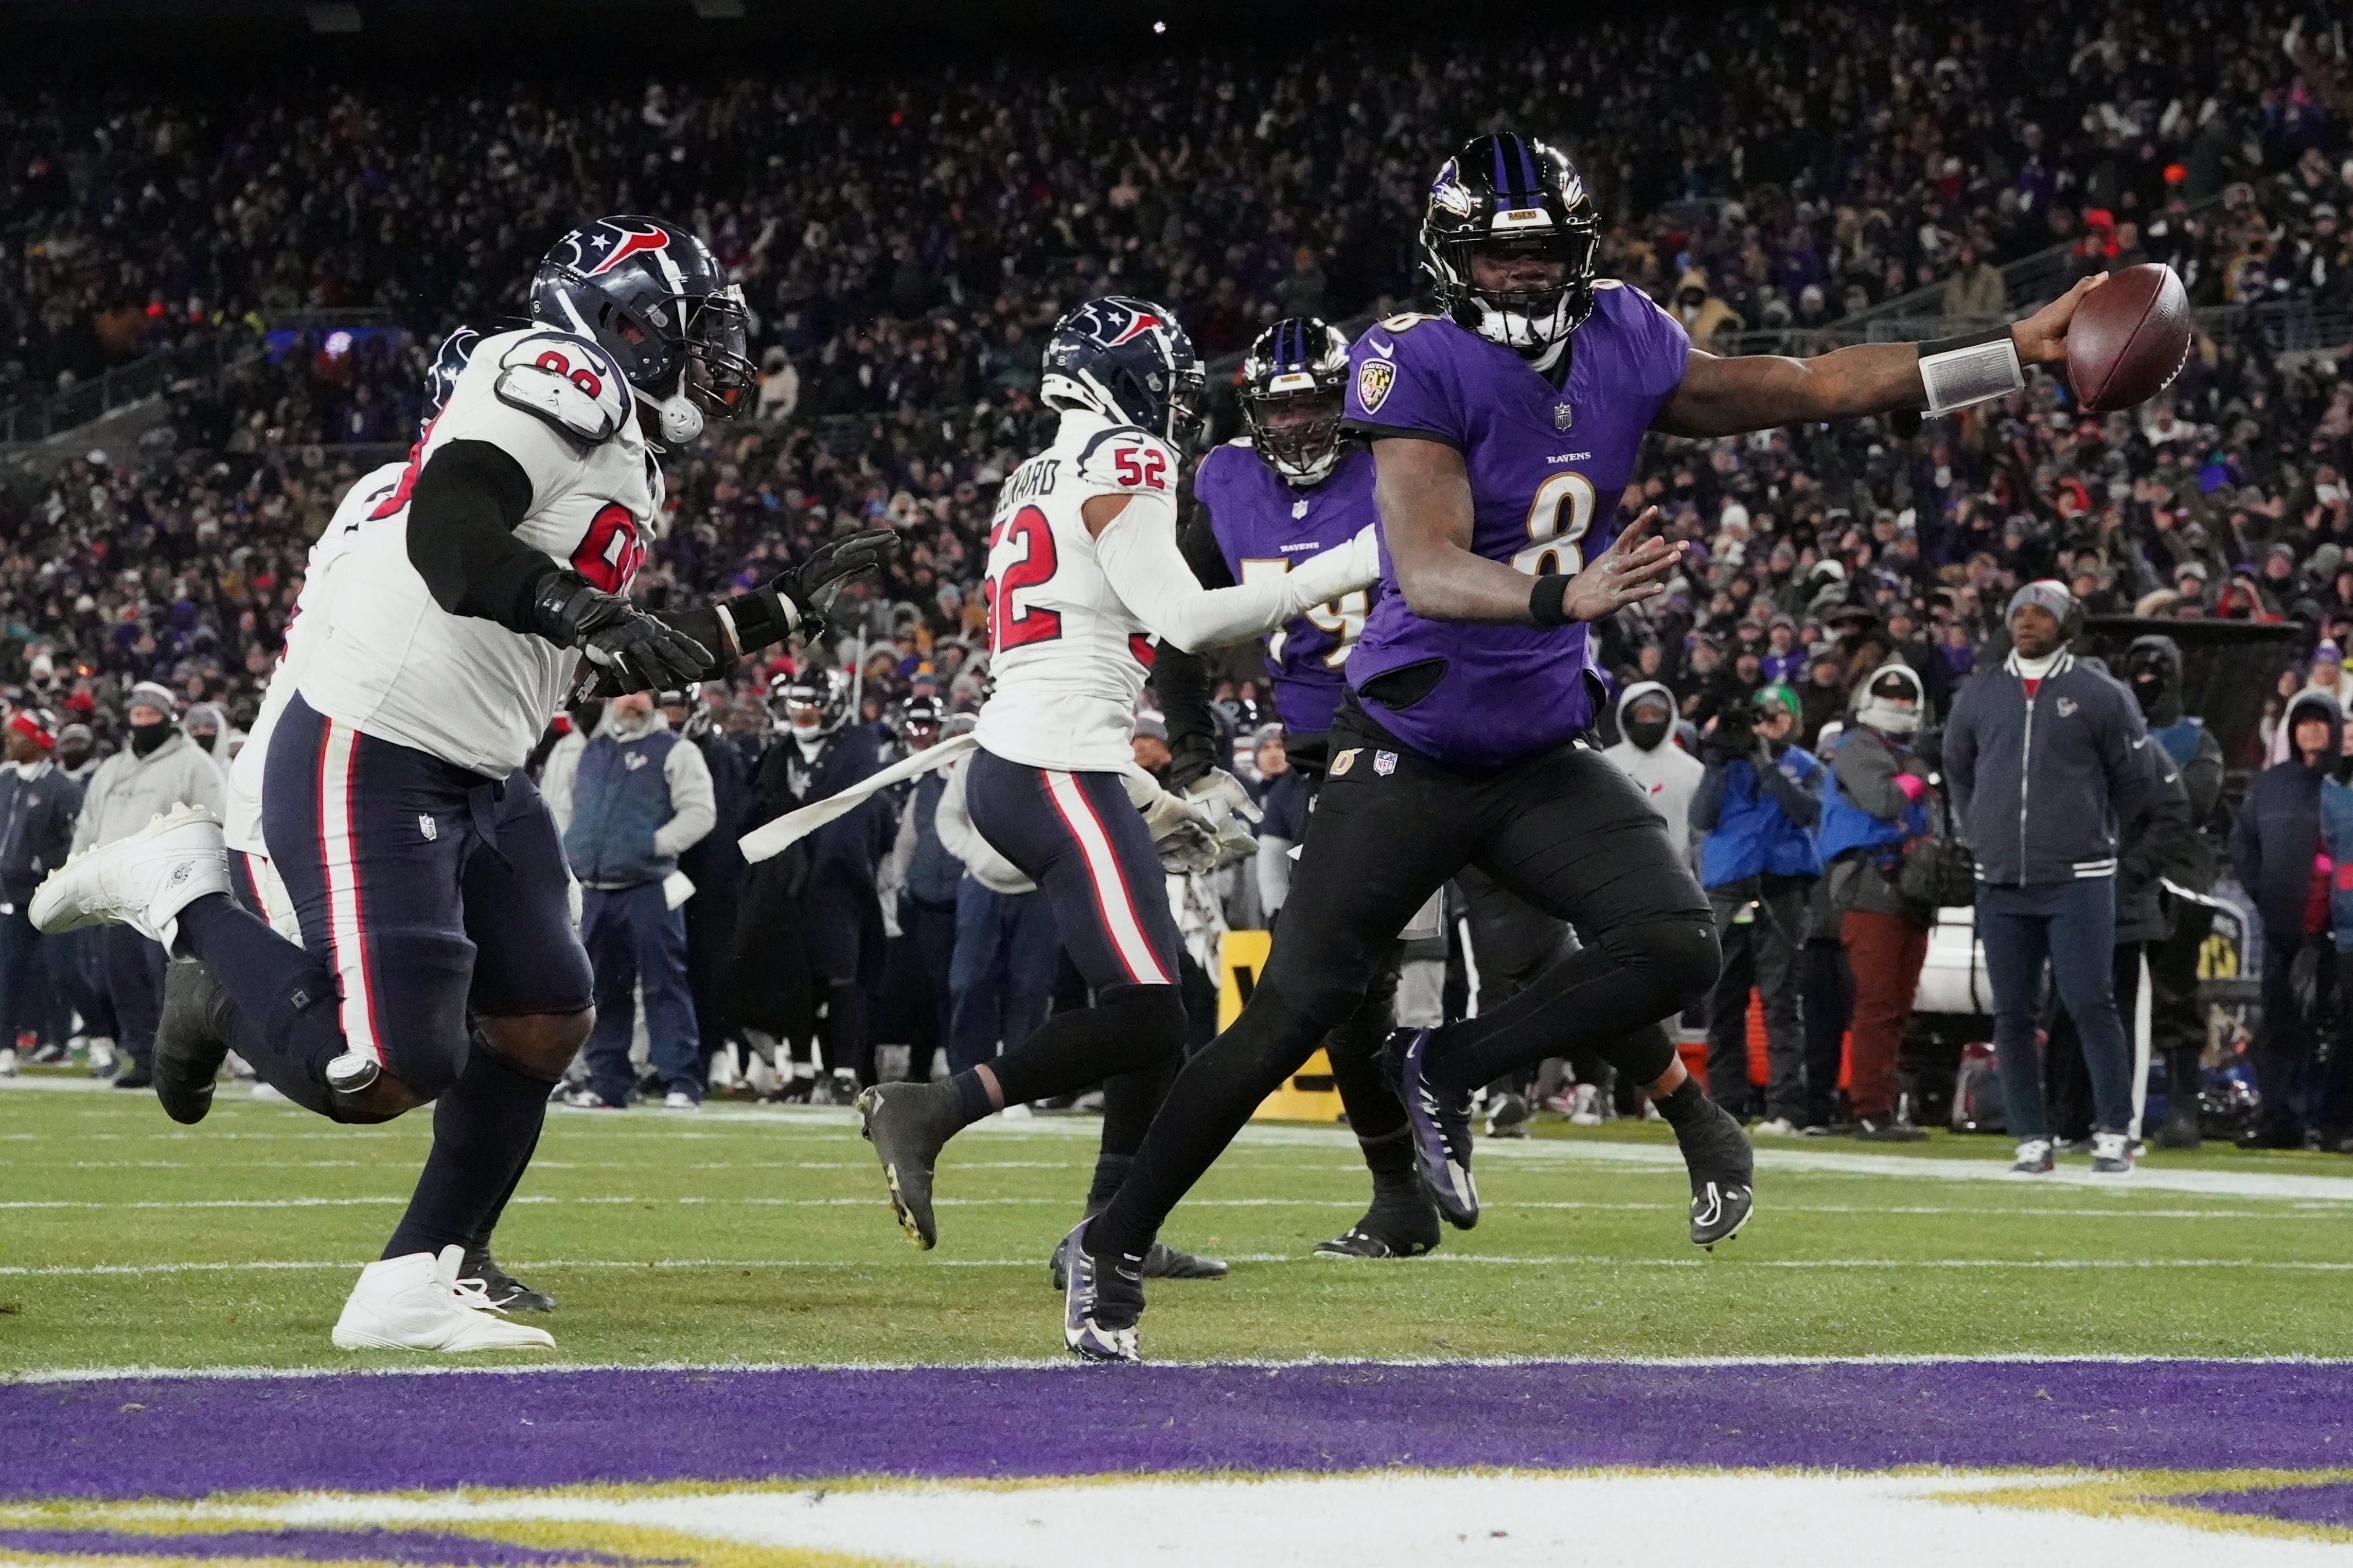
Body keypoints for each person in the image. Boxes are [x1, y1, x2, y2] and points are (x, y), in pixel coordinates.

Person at [1066, 130, 2108, 1361]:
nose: (1518, 279)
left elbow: (1814, 384)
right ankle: (1113, 1241)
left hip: (1529, 745)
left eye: (1542, 255)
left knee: (1673, 941)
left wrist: (2010, 356)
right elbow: (1432, 566)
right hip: (1408, 742)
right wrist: (1569, 596)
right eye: (1495, 260)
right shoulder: (1413, 359)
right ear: (1450, 264)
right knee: (1294, 1005)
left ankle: (1446, 1064)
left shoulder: (1624, 332)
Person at [32, 215, 892, 1352]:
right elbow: (452, 533)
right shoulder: (551, 369)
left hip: (483, 765)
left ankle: (416, 1277)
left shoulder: (621, 456)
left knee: (545, 1018)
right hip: (380, 747)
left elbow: (601, 650)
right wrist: (576, 607)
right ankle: (188, 897)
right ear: (617, 320)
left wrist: (773, 610)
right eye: (683, 329)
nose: (707, 359)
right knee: (386, 1064)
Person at [853, 294, 1381, 1281]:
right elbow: (1183, 617)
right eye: (1168, 386)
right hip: (1051, 764)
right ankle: (928, 1107)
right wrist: (1353, 559)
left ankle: (1108, 1230)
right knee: (1146, 1011)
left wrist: (1146, 798)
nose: (1177, 409)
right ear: (1126, 378)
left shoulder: (1034, 472)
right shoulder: (1121, 455)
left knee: (1169, 997)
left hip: (1051, 759)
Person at [1149, 314, 1440, 1259]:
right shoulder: (1226, 482)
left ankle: (1454, 1104)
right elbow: (1177, 624)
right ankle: (1404, 1189)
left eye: (1318, 401)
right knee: (1343, 997)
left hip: (1434, 730)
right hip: (1325, 760)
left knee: (1515, 949)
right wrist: (1191, 751)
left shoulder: (1402, 457)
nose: (1303, 422)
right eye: (1283, 406)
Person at [1946, 582, 2153, 1176]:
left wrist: (2103, 837)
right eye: (2019, 613)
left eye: (2041, 613)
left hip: (2078, 877)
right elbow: (1958, 768)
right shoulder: (1980, 693)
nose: (2027, 621)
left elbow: (2134, 781)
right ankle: (2030, 1138)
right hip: (2002, 878)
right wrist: (1977, 831)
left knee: (2090, 1002)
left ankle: (2114, 1131)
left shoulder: (2099, 694)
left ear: (2066, 625)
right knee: (2010, 1013)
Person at [553, 689, 717, 1111]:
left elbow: (701, 812)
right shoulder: (592, 751)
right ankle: (607, 1083)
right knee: (603, 989)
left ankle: (680, 1081)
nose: (632, 701)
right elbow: (568, 809)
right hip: (597, 888)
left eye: (642, 693)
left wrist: (652, 845)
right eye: (626, 692)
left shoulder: (676, 751)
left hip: (650, 886)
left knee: (665, 985)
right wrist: (576, 853)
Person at [63, 680, 225, 1092]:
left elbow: (216, 819)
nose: (142, 723)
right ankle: (141, 1056)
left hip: (169, 894)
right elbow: (87, 827)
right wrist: (75, 874)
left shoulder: (193, 765)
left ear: (168, 718)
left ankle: (181, 1063)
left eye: (150, 716)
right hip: (116, 896)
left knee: (167, 981)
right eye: (136, 716)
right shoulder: (112, 770)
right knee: (124, 979)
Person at [739, 667, 893, 1099]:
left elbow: (854, 819)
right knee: (793, 979)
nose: (804, 714)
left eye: (813, 705)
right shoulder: (778, 754)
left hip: (837, 881)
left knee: (843, 977)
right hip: (787, 884)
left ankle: (844, 1069)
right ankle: (803, 1070)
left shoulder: (858, 748)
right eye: (797, 704)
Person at [1691, 685, 1823, 1132]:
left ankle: (1785, 1109)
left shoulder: (1804, 766)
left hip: (1779, 890)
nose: (1767, 723)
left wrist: (1765, 763)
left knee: (1780, 1003)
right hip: (1728, 891)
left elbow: (1804, 811)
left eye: (1777, 714)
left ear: (1793, 720)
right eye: (1760, 716)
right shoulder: (1724, 766)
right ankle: (1726, 1107)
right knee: (1722, 1004)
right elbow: (1702, 817)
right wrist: (1715, 764)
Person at [1818, 666, 1936, 1140]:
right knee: (1878, 1002)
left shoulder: (1901, 751)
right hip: (1870, 883)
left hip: (1908, 885)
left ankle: (1877, 1104)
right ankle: (1868, 1107)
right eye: (1892, 697)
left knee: (1897, 1004)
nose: (1900, 705)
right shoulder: (1857, 748)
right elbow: (1885, 801)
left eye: (1907, 698)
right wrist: (1920, 773)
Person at [2119, 634, 2225, 1149]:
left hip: (2180, 880)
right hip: (2122, 874)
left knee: (2175, 995)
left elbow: (2196, 805)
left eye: (2154, 669)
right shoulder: (2112, 731)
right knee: (2108, 996)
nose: (2145, 678)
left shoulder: (2196, 739)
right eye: (2137, 669)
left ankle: (2183, 1107)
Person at [2232, 687, 2346, 1150]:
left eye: (2321, 722)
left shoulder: (2343, 782)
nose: (2311, 730)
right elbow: (2243, 844)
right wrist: (2267, 895)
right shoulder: (2271, 783)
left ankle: (2331, 1120)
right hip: (2282, 929)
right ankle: (2278, 1117)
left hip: (2337, 931)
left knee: (2334, 1030)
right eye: (2303, 722)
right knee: (2278, 1026)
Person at [875, 693, 959, 1087]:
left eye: (928, 727)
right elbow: (905, 838)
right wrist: (900, 881)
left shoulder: (978, 780)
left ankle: (956, 1059)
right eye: (915, 726)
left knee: (959, 984)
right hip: (916, 895)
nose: (920, 734)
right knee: (920, 985)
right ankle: (922, 1061)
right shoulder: (904, 774)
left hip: (965, 895)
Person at [0, 711, 79, 1077]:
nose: (9, 741)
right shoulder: (4, 781)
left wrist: (41, 862)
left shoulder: (61, 788)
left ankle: (98, 1036)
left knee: (64, 973)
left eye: (16, 735)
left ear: (36, 741)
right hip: (10, 897)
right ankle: (4, 1049)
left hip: (50, 895)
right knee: (8, 974)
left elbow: (75, 840)